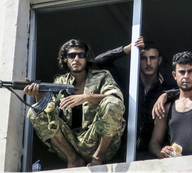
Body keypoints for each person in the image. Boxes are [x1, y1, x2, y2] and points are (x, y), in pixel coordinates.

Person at [25, 39, 126, 168]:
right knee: (36, 111)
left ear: (86, 58)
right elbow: (48, 115)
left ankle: (98, 157)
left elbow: (116, 99)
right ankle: (73, 159)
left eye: (81, 55)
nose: (76, 59)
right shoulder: (60, 81)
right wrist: (37, 95)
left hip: (99, 142)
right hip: (70, 143)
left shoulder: (102, 76)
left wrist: (87, 97)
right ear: (65, 59)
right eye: (71, 55)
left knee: (112, 103)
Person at [95, 36, 176, 160]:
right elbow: (99, 61)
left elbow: (190, 88)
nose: (148, 63)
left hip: (154, 152)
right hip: (122, 152)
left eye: (152, 58)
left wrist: (166, 95)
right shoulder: (128, 80)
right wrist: (127, 49)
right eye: (143, 58)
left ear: (159, 60)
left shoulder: (168, 83)